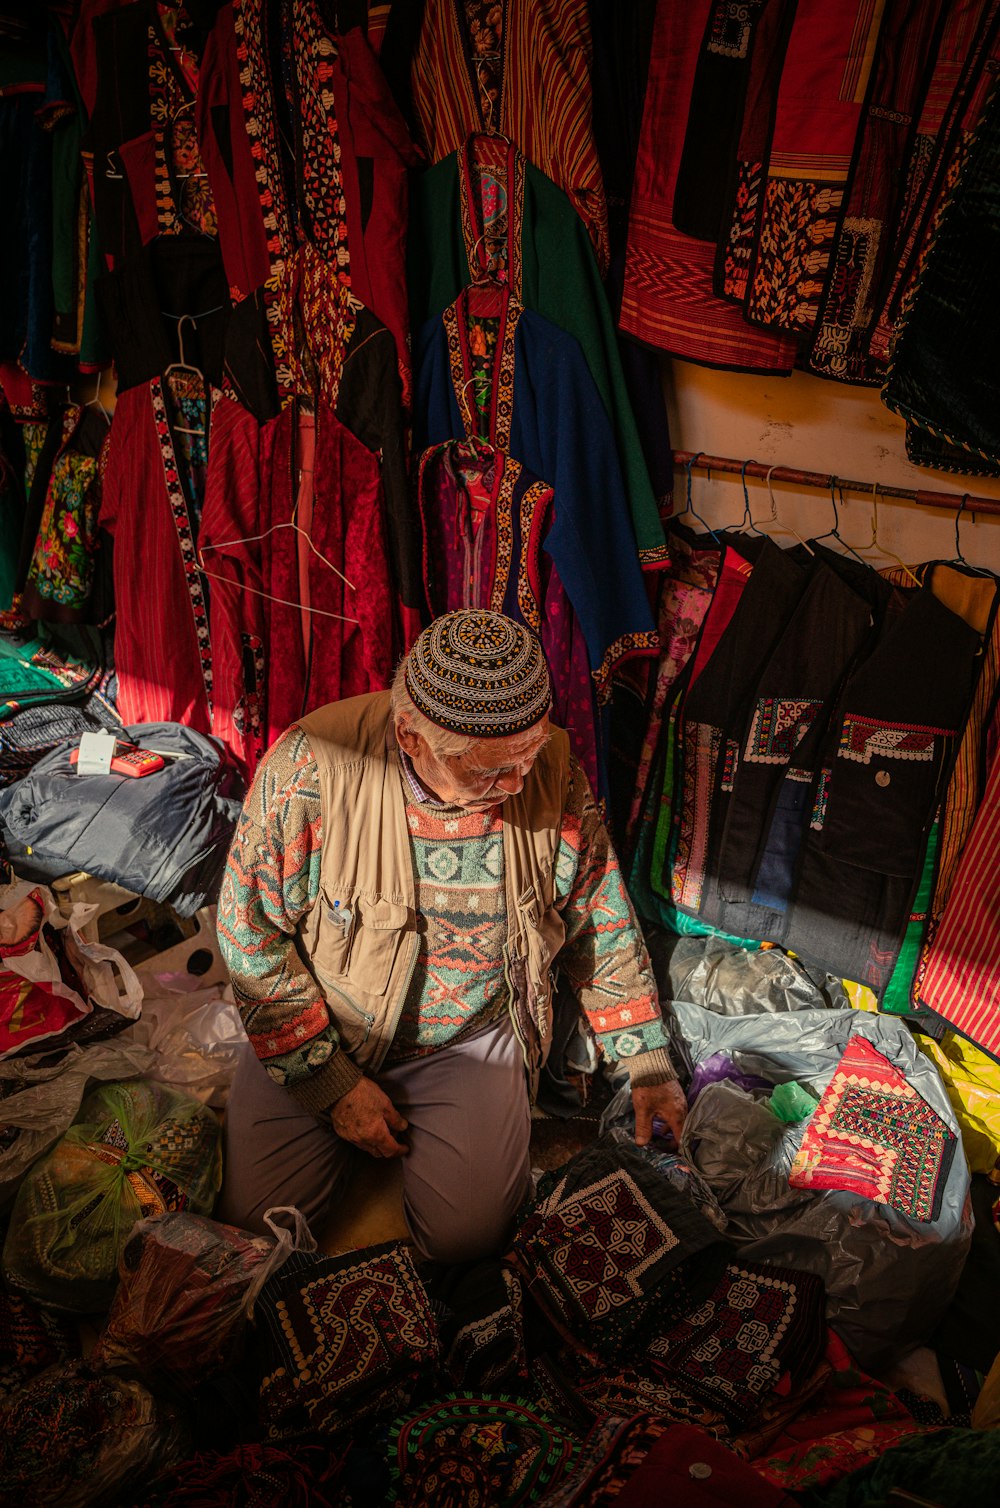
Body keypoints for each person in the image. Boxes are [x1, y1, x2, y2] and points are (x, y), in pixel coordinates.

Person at [216, 610, 686, 1263]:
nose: (518, 783)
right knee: (251, 1231)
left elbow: (598, 913)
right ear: (410, 737)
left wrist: (646, 1062)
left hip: (467, 1039)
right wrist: (330, 1085)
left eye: (529, 754)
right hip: (327, 1026)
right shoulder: (311, 767)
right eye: (490, 771)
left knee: (470, 1243)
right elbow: (250, 938)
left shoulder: (546, 767)